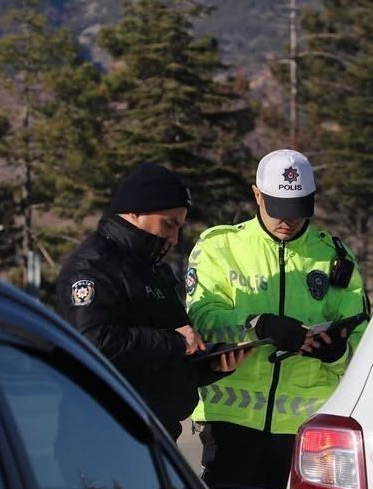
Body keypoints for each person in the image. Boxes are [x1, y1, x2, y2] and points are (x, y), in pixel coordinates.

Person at [185, 149, 369, 489]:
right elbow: (202, 319)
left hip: (308, 428)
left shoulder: (335, 256)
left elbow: (361, 333)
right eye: (277, 209)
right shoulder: (219, 246)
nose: (287, 221)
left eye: (298, 210)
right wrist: (258, 325)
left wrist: (338, 353)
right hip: (231, 423)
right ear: (256, 194)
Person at [56, 162, 246, 440]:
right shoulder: (93, 266)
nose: (174, 237)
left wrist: (210, 364)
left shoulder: (155, 271)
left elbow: (161, 356)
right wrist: (176, 341)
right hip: (102, 435)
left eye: (179, 227)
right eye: (169, 224)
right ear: (135, 211)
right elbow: (93, 341)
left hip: (157, 434)